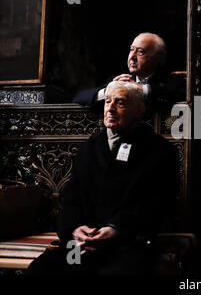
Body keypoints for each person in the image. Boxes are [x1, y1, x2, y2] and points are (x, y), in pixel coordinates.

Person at [27, 80, 179, 275]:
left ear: (139, 110)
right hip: (81, 246)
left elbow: (158, 204)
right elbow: (72, 199)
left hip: (127, 243)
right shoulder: (88, 149)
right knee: (41, 270)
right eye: (108, 101)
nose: (111, 109)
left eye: (120, 102)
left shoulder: (160, 151)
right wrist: (75, 229)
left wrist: (117, 229)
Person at [73, 32, 174, 109]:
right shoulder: (118, 81)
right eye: (131, 50)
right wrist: (107, 92)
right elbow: (79, 98)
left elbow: (173, 95)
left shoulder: (173, 80)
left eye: (140, 52)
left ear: (157, 59)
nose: (132, 57)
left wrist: (141, 90)